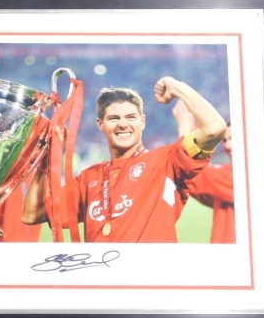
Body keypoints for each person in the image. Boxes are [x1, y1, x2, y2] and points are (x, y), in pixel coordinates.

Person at [21, 76, 227, 243]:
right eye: (113, 118)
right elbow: (32, 215)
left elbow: (214, 129)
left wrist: (176, 86)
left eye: (130, 117)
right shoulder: (88, 178)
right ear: (100, 124)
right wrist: (48, 154)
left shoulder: (167, 161)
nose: (123, 124)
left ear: (142, 122)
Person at [172, 99, 234, 243]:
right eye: (224, 140)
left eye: (233, 138)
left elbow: (197, 177)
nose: (228, 146)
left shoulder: (245, 174)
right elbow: (195, 186)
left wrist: (185, 130)